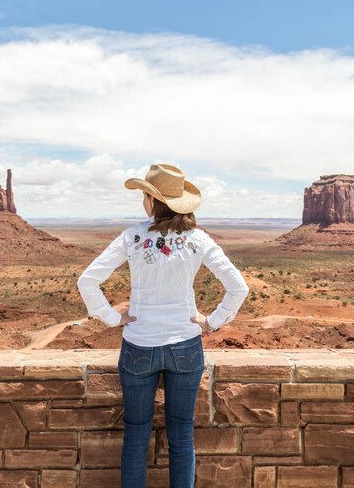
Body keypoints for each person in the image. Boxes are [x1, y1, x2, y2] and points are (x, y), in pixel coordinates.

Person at [76, 163, 250, 488]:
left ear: (153, 200)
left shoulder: (133, 237)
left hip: (139, 346)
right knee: (182, 434)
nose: (143, 202)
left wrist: (114, 317)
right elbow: (238, 287)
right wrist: (210, 322)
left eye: (145, 196)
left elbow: (87, 281)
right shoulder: (199, 240)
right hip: (186, 346)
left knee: (136, 434)